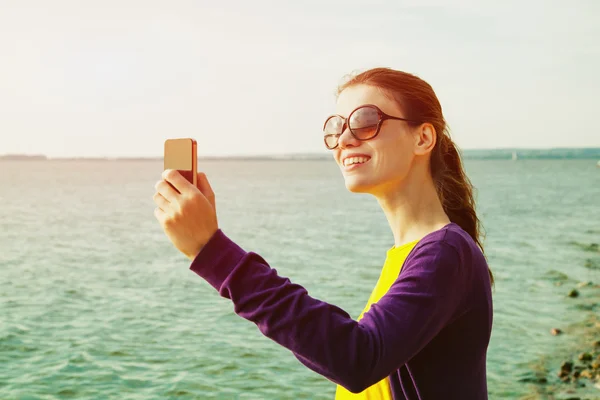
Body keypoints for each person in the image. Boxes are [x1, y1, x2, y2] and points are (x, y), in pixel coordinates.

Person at [152, 67, 494, 400]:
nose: (343, 140)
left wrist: (213, 252)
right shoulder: (415, 252)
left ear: (423, 138)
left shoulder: (444, 251)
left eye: (365, 121)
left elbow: (358, 357)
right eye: (335, 128)